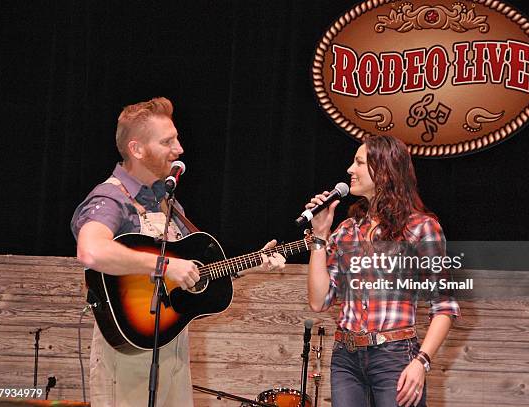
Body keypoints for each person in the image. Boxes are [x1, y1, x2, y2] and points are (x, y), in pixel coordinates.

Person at [71, 97, 285, 407]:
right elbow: (91, 251)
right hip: (127, 355)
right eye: (168, 141)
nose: (180, 148)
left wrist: (253, 263)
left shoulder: (168, 205)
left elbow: (196, 272)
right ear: (137, 149)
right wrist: (165, 265)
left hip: (173, 349)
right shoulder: (110, 198)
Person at [306, 135, 460, 407]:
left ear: (385, 171)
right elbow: (319, 301)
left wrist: (421, 362)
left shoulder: (421, 228)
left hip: (395, 356)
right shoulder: (346, 231)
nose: (349, 170)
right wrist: (319, 236)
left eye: (359, 163)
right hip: (346, 357)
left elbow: (445, 306)